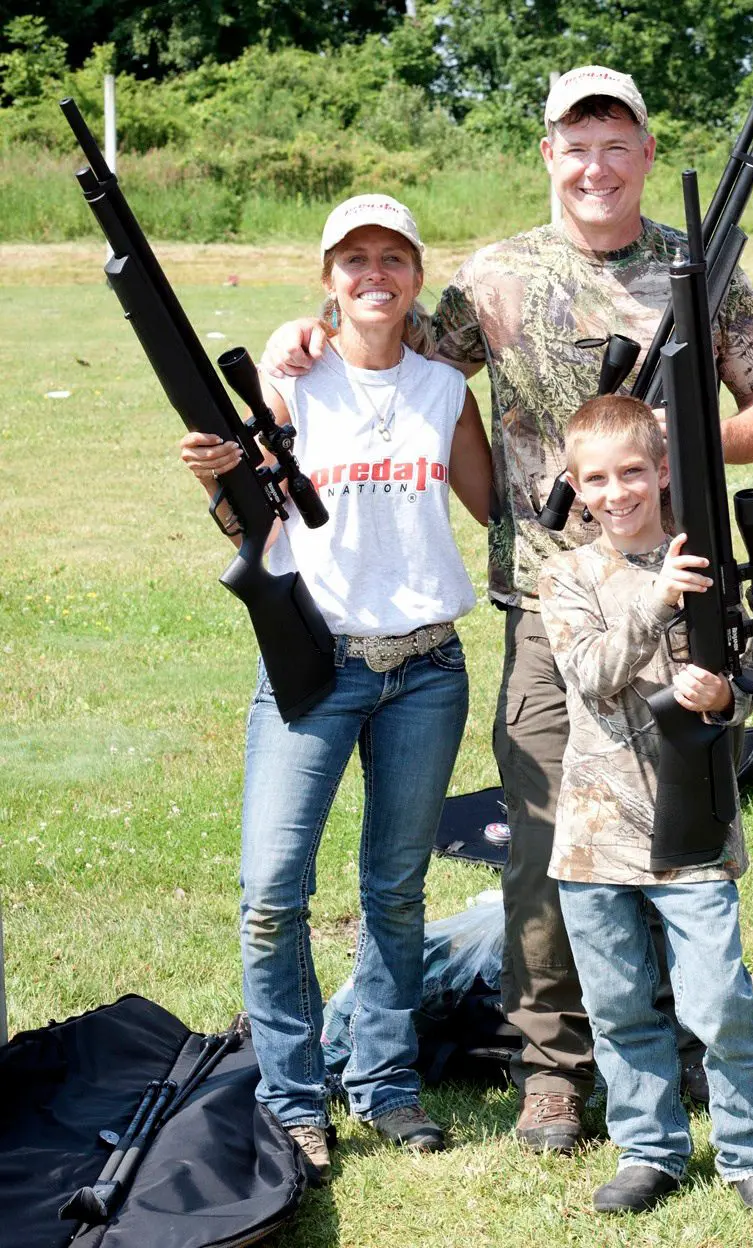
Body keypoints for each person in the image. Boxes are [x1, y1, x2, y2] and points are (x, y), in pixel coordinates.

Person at [262, 66, 753, 1152]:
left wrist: (671, 444)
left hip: (674, 591)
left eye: (615, 143)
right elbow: (384, 347)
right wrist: (298, 333)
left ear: (645, 155)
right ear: (547, 155)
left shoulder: (701, 271)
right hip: (543, 607)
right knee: (547, 840)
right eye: (572, 143)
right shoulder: (494, 279)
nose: (593, 165)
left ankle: (685, 1037)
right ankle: (551, 1068)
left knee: (683, 826)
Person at [179, 193, 494, 1183]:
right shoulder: (289, 386)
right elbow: (246, 525)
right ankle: (291, 1093)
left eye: (391, 258)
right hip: (315, 666)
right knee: (272, 893)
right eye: (352, 260)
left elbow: (500, 506)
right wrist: (213, 474)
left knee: (395, 894)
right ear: (327, 278)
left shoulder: (445, 390)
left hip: (428, 667)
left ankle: (386, 1084)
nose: (373, 275)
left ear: (414, 275)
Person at [538, 395, 753, 1225]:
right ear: (576, 490)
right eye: (597, 480)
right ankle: (648, 1149)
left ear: (662, 473)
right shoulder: (566, 574)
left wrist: (721, 695)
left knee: (719, 998)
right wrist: (656, 601)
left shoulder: (707, 564)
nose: (617, 493)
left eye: (633, 473)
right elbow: (590, 673)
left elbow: (743, 694)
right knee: (618, 1005)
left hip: (690, 826)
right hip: (592, 834)